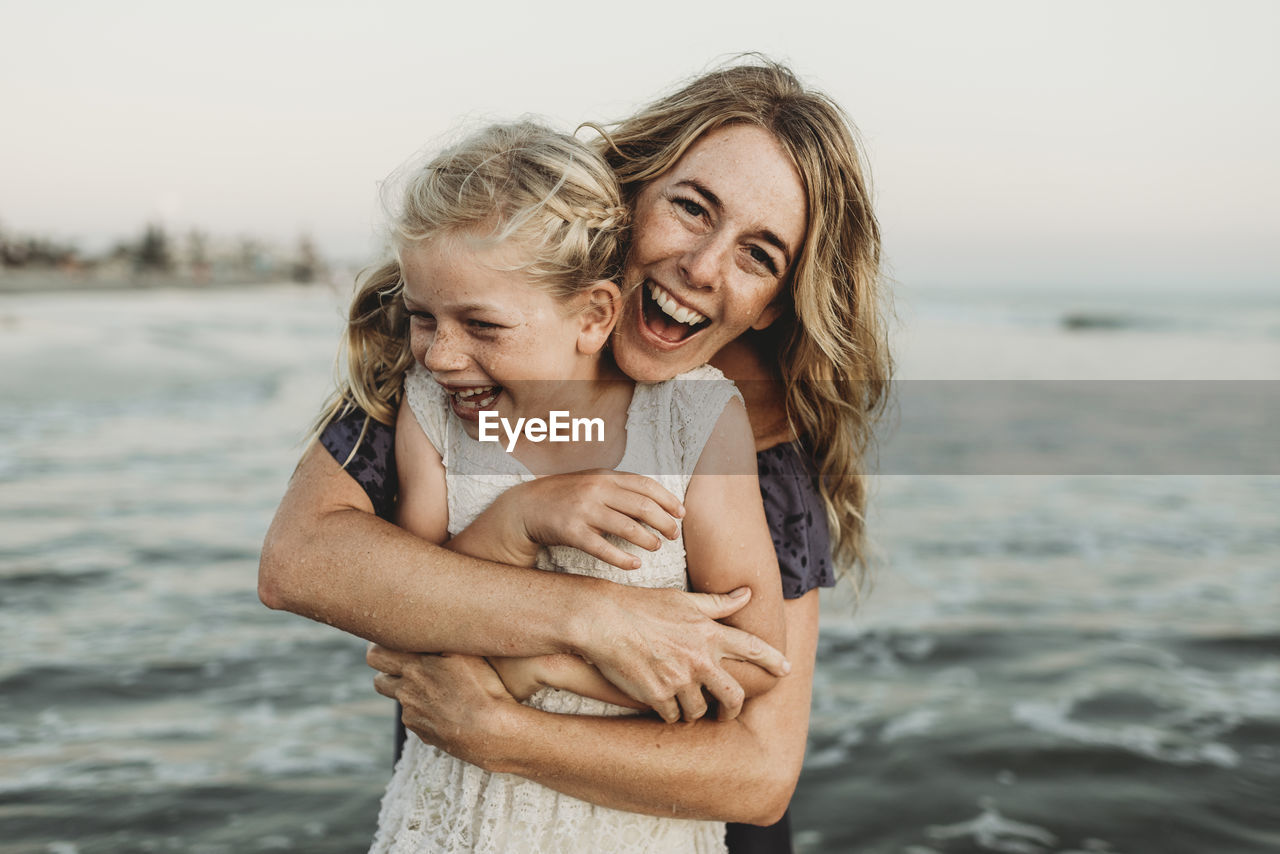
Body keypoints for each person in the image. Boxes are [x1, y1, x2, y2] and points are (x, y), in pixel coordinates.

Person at [259, 56, 890, 854]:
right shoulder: (458, 365)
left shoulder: (746, 440)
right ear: (632, 193)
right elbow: (301, 558)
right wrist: (595, 617)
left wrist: (503, 725)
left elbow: (759, 771)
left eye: (758, 255)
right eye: (692, 209)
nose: (702, 267)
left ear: (774, 303)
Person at [361, 119, 786, 852]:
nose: (441, 353)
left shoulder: (694, 423)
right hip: (454, 817)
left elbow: (751, 663)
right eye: (422, 318)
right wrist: (518, 521)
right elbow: (408, 624)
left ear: (592, 316)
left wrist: (541, 671)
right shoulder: (432, 411)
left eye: (483, 326)